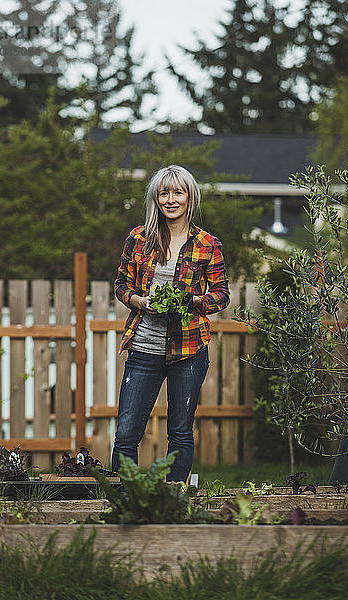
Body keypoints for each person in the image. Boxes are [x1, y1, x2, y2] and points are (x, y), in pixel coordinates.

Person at [112, 164, 230, 482]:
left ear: (190, 197)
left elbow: (222, 296)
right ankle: (124, 503)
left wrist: (193, 301)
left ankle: (172, 503)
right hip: (144, 348)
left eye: (178, 192)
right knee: (126, 434)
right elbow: (121, 285)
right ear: (156, 199)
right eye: (164, 193)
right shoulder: (139, 238)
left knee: (179, 432)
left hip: (189, 351)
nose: (171, 199)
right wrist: (139, 302)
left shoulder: (208, 244)